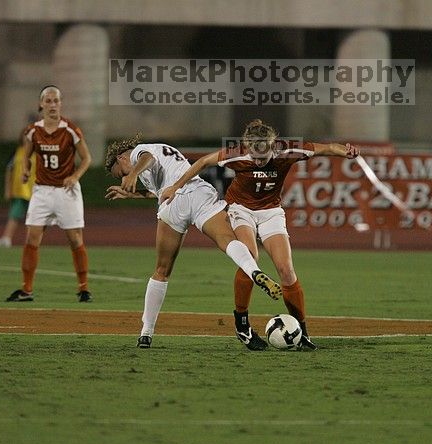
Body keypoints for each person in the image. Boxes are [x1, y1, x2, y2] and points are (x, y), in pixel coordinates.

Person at [161, 119, 360, 350]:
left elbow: (326, 148)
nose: (257, 162)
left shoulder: (288, 151)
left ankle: (302, 332)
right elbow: (204, 161)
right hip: (240, 209)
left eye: (262, 158)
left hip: (271, 212)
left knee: (286, 271)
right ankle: (242, 325)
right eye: (253, 157)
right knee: (250, 258)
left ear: (273, 147)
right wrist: (176, 186)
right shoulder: (237, 155)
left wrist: (346, 151)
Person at [104, 135, 282, 349]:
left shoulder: (141, 151)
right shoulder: (159, 154)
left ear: (121, 157)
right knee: (226, 240)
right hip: (196, 192)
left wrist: (132, 173)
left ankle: (146, 333)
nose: (123, 177)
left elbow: (146, 158)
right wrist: (132, 195)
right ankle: (253, 271)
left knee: (161, 270)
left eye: (121, 173)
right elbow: (160, 190)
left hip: (174, 203)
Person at [6, 85, 93, 303]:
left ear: (61, 104)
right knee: (32, 238)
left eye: (57, 101)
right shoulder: (32, 131)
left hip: (66, 192)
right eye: (49, 101)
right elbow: (26, 156)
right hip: (42, 191)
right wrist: (26, 171)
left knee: (75, 239)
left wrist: (75, 176)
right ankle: (27, 290)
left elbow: (87, 158)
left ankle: (84, 289)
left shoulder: (71, 129)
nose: (53, 105)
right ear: (41, 104)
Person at [0, 134, 37, 247]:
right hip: (19, 190)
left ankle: (30, 241)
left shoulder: (38, 153)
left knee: (33, 217)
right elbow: (9, 170)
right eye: (25, 136)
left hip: (35, 190)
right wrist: (8, 189)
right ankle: (7, 238)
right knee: (14, 215)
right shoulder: (17, 152)